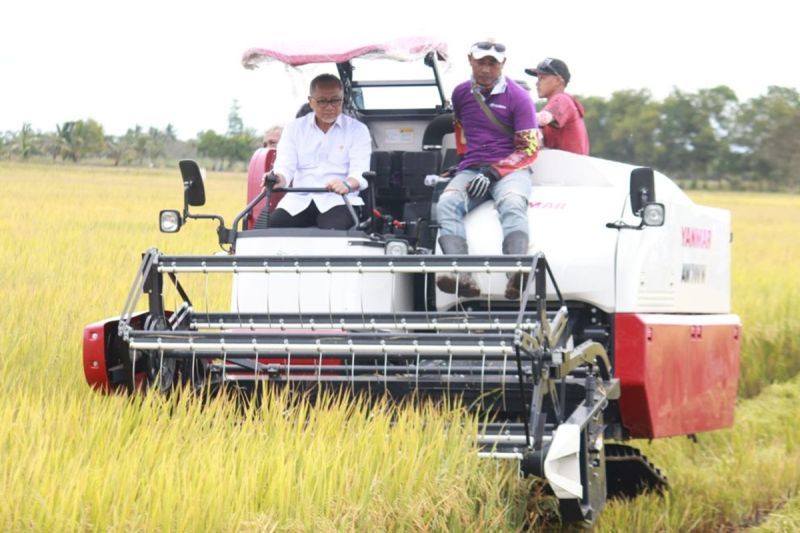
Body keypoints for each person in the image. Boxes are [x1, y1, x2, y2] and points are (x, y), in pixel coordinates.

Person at [437, 40, 540, 300]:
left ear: (502, 64)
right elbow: (462, 131)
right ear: (470, 60)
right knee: (447, 203)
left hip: (510, 169)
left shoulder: (519, 97)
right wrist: (462, 165)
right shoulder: (460, 94)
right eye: (481, 62)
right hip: (473, 168)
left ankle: (517, 270)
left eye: (492, 63)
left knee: (513, 203)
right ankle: (460, 274)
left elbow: (528, 149)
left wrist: (495, 171)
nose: (485, 69)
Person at [264, 74, 372, 230]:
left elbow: (360, 172)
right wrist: (276, 179)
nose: (329, 107)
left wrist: (346, 185)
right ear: (311, 102)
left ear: (343, 100)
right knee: (272, 228)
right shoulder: (294, 129)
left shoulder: (358, 130)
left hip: (340, 200)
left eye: (335, 100)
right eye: (322, 101)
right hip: (299, 200)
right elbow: (285, 168)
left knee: (333, 230)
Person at [525, 58, 589, 155]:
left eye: (542, 78)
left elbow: (542, 118)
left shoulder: (562, 99)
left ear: (558, 80)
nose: (537, 83)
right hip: (568, 166)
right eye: (538, 78)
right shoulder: (559, 104)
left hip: (568, 167)